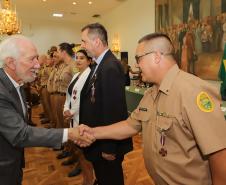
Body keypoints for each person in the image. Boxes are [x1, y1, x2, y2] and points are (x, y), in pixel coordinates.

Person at [79, 33, 226, 185]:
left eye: (138, 58)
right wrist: (93, 133)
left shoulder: (193, 92)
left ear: (156, 56)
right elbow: (130, 125)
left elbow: (220, 153)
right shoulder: (151, 94)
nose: (136, 65)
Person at [0, 35, 93, 185]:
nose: (38, 65)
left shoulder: (15, 84)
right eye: (32, 59)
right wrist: (69, 133)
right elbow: (20, 134)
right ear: (11, 62)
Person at [80, 23, 133, 185]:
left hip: (106, 142)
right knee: (103, 178)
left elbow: (114, 110)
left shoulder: (110, 66)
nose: (82, 46)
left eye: (84, 41)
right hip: (98, 138)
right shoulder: (99, 64)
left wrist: (109, 147)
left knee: (111, 179)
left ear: (96, 41)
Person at [63, 49, 94, 184]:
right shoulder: (76, 75)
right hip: (73, 116)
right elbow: (69, 95)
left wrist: (72, 112)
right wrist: (66, 108)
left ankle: (89, 178)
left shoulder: (90, 76)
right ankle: (84, 173)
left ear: (89, 61)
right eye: (77, 58)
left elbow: (84, 99)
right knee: (78, 147)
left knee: (84, 149)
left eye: (82, 58)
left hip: (82, 117)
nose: (78, 60)